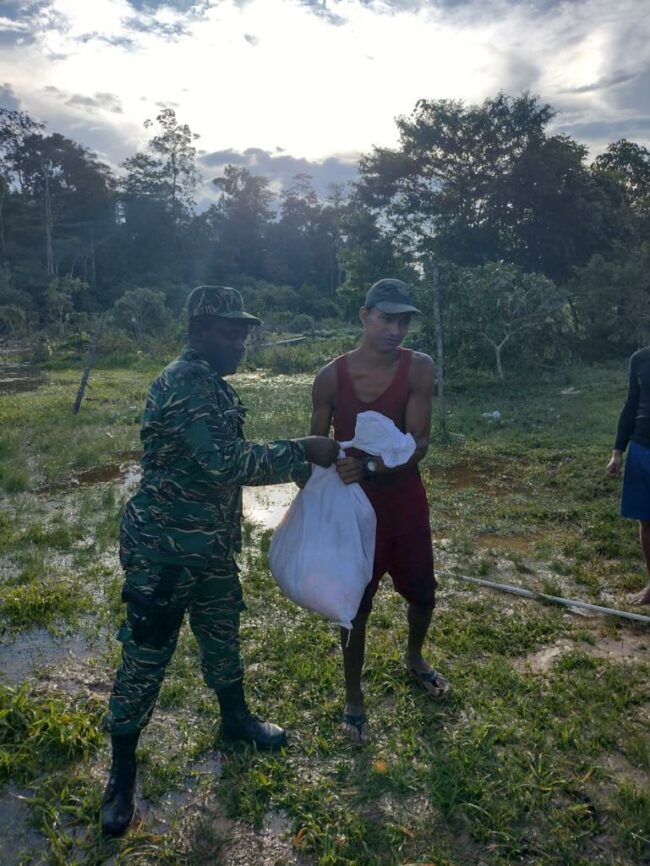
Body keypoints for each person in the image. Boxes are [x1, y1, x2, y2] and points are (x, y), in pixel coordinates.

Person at [101, 286, 339, 836]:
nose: (241, 344)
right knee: (145, 658)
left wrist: (302, 467)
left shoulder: (210, 382)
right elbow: (225, 463)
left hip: (208, 548)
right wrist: (301, 450)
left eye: (244, 334)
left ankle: (236, 720)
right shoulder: (185, 383)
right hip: (164, 554)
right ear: (200, 331)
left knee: (221, 634)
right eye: (231, 333)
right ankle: (121, 776)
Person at [309, 278, 450, 744]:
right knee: (354, 606)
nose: (396, 329)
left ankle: (415, 656)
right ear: (364, 315)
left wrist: (370, 465)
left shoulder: (418, 369)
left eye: (403, 321)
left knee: (423, 594)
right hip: (355, 511)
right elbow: (318, 447)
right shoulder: (331, 378)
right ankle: (353, 697)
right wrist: (315, 476)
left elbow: (419, 443)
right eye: (387, 318)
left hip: (405, 503)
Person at [606, 346, 650, 606]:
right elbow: (631, 405)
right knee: (647, 522)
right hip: (642, 449)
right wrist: (617, 452)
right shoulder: (640, 359)